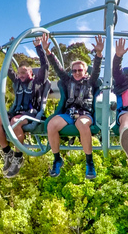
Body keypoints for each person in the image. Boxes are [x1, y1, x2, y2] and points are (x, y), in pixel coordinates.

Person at [43, 35, 104, 180]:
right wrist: (48, 52)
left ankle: (89, 162)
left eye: (80, 70)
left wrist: (98, 54)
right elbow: (57, 68)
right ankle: (57, 159)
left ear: (85, 72)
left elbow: (96, 69)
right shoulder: (67, 80)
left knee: (82, 124)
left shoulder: (90, 81)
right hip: (68, 114)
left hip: (84, 114)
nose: (77, 73)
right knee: (51, 124)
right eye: (74, 70)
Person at [0, 33, 49, 177]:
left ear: (31, 73)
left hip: (31, 114)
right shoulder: (17, 82)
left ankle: (18, 157)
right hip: (16, 112)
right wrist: (10, 49)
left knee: (15, 122)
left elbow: (45, 66)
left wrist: (39, 48)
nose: (21, 75)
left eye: (24, 72)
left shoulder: (37, 82)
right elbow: (7, 68)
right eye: (19, 73)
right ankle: (7, 152)